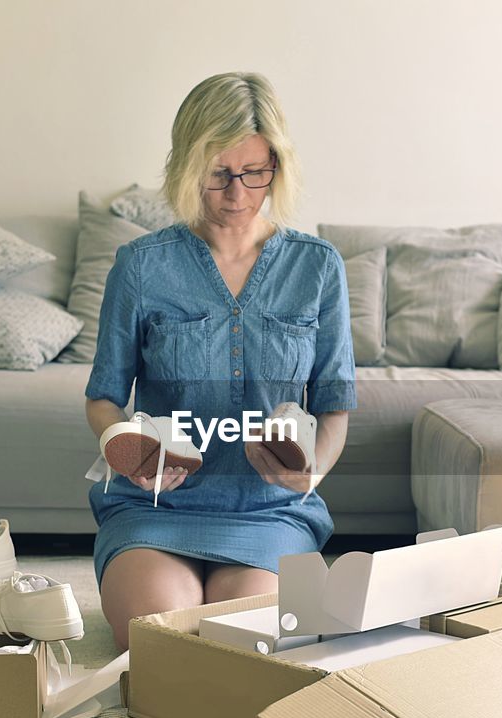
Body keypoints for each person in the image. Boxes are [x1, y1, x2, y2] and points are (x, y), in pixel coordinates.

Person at [84, 72, 356, 652]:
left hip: (270, 513)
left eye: (256, 173)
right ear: (188, 167)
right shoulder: (140, 266)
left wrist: (311, 473)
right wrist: (131, 452)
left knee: (246, 643)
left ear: (277, 166)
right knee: (163, 638)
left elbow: (334, 410)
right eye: (219, 174)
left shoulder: (319, 267)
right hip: (155, 508)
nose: (238, 193)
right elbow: (103, 397)